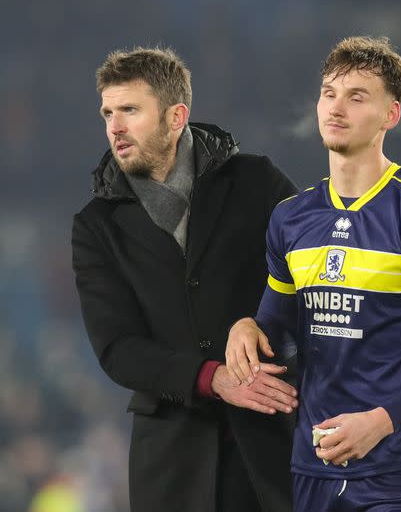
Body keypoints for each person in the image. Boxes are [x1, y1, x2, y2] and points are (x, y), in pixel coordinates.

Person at [225, 36, 401, 512]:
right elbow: (274, 325)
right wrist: (246, 327)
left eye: (357, 96)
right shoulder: (291, 218)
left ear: (391, 115)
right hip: (315, 465)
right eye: (329, 93)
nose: (336, 107)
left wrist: (380, 422)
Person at [71, 47, 299, 512]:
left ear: (176, 118)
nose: (114, 127)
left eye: (130, 110)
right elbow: (117, 348)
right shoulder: (96, 226)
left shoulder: (256, 181)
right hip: (171, 463)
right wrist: (211, 378)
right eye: (108, 113)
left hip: (272, 444)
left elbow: (315, 278)